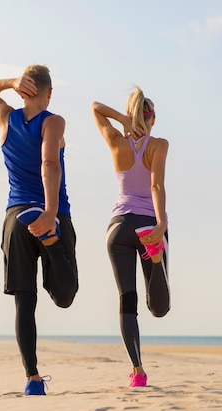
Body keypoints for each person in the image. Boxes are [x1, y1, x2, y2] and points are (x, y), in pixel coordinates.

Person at [0, 65, 78, 396]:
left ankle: (33, 379)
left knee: (25, 301)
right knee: (65, 296)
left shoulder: (6, 118)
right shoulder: (53, 121)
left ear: (23, 90)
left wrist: (9, 82)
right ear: (49, 93)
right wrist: (50, 214)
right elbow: (49, 163)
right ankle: (51, 243)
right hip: (52, 214)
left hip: (16, 217)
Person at [92, 86, 170, 388]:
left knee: (127, 301)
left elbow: (95, 107)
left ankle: (137, 371)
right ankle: (158, 256)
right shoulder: (159, 145)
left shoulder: (114, 141)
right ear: (153, 119)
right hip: (148, 226)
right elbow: (156, 188)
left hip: (118, 227)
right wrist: (160, 225)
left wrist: (121, 120)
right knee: (159, 308)